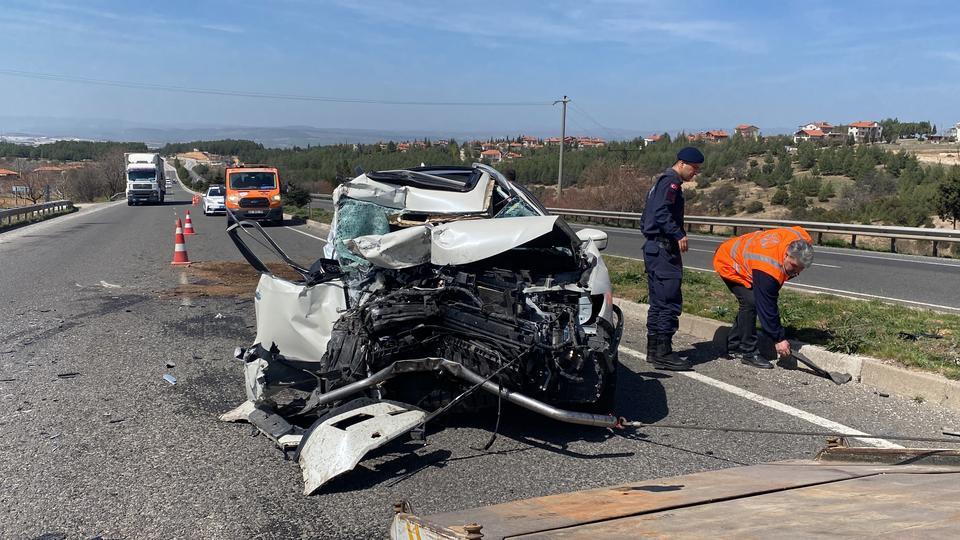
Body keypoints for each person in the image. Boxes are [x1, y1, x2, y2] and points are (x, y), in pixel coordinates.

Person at [712, 226, 815, 369]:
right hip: (729, 261)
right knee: (751, 302)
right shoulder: (768, 266)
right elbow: (767, 305)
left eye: (799, 270)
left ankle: (733, 343)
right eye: (793, 267)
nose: (794, 273)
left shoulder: (802, 240)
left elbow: (770, 296)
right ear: (786, 254)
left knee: (753, 302)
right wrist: (778, 338)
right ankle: (748, 353)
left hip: (752, 259)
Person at [641, 146, 704, 370]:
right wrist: (678, 234)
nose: (694, 173)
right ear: (682, 164)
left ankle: (654, 351)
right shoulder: (671, 182)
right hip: (664, 250)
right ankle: (663, 353)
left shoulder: (662, 181)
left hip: (654, 249)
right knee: (668, 302)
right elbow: (660, 213)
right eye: (693, 169)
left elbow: (649, 215)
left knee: (658, 302)